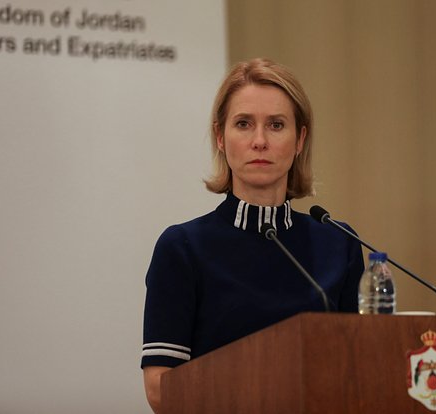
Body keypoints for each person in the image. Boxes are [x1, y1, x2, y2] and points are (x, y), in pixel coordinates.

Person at [141, 58, 364, 412]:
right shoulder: (182, 248)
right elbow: (160, 387)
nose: (259, 141)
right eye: (243, 124)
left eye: (276, 125)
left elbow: (360, 368)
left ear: (299, 139)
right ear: (220, 137)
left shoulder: (339, 243)